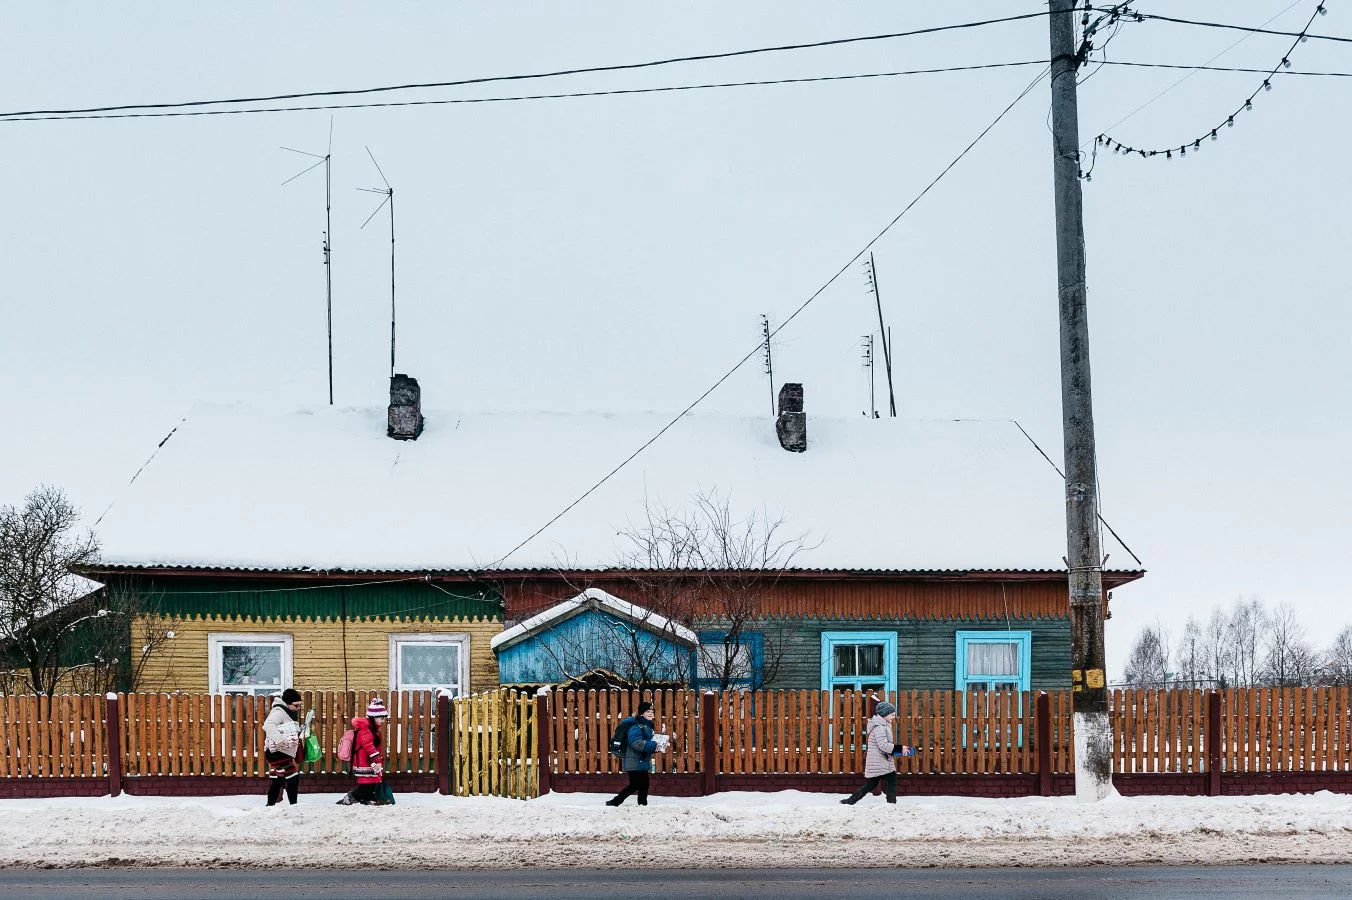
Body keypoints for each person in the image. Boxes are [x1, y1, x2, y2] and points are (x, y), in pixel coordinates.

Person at [841, 701, 912, 805]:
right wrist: (900, 749)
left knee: (872, 784)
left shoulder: (883, 726)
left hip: (880, 760)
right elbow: (883, 746)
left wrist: (900, 750)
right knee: (891, 779)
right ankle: (891, 803)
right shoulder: (880, 728)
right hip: (880, 761)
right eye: (892, 714)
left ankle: (852, 800)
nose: (893, 717)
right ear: (884, 715)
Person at [605, 700, 667, 807]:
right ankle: (616, 802)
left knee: (643, 785)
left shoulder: (646, 726)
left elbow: (645, 744)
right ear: (641, 713)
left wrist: (656, 747)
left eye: (652, 711)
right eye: (648, 711)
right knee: (635, 785)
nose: (651, 713)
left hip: (641, 760)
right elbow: (636, 743)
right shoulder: (636, 726)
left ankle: (642, 805)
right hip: (634, 761)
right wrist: (653, 744)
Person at [338, 697, 390, 806]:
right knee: (365, 785)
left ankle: (367, 800)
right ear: (374, 717)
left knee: (372, 784)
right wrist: (376, 759)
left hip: (369, 762)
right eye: (381, 717)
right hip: (363, 763)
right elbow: (368, 747)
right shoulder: (365, 730)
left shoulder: (373, 730)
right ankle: (349, 798)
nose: (383, 720)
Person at [262, 688, 305, 806]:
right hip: (277, 753)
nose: (298, 708)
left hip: (282, 752)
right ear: (288, 703)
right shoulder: (279, 712)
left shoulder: (288, 712)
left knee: (278, 779)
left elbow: (287, 729)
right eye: (296, 705)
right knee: (293, 778)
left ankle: (269, 806)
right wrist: (280, 740)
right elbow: (268, 725)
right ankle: (293, 806)